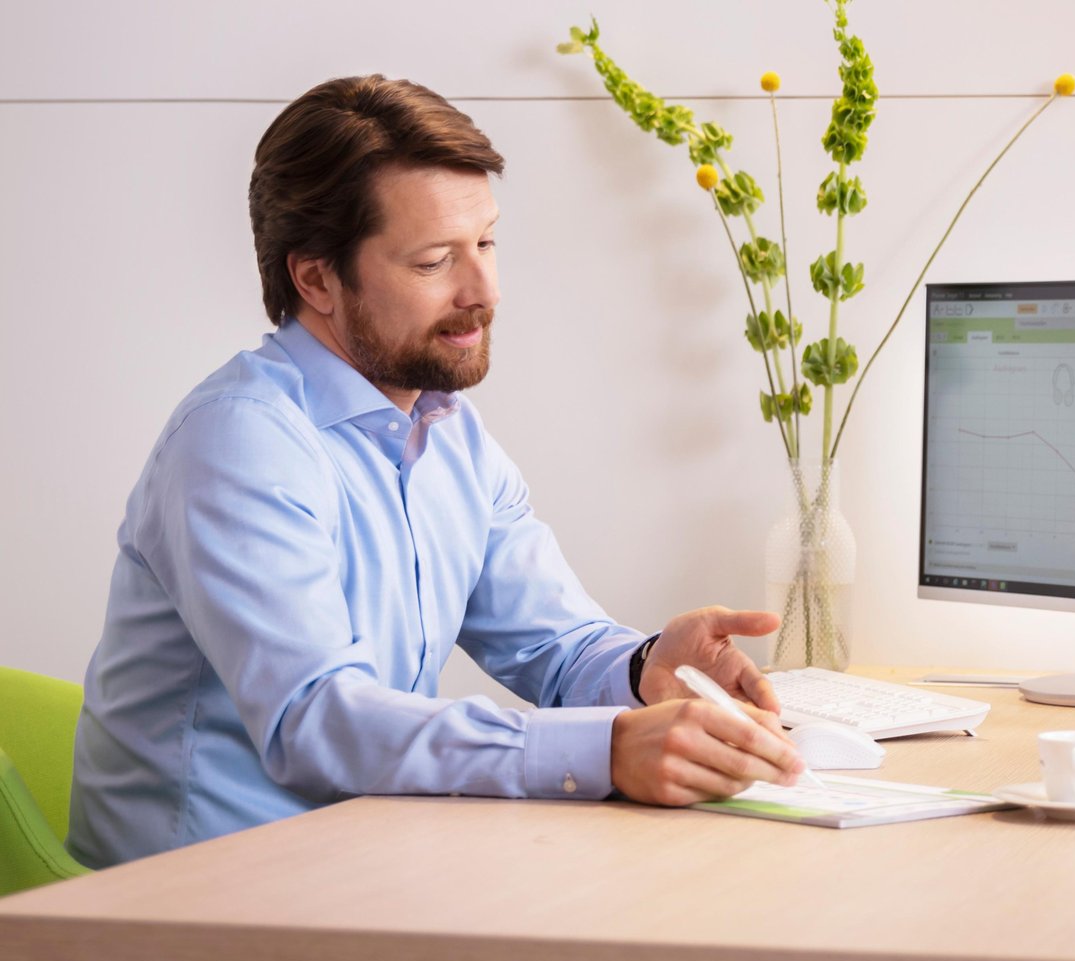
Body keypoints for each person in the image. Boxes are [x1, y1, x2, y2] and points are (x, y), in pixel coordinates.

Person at [66, 75, 808, 869]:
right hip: (188, 902)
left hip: (356, 859)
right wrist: (607, 749)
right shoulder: (239, 443)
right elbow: (316, 720)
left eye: (486, 243)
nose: (484, 291)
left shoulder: (448, 431)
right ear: (315, 278)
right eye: (433, 261)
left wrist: (646, 667)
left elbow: (555, 644)